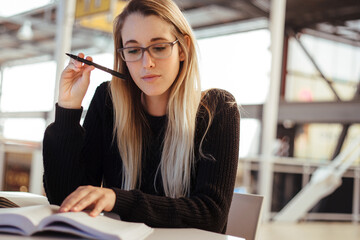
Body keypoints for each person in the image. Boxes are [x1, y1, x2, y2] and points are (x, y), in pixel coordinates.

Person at [43, 0, 240, 234]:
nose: (147, 63)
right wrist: (68, 108)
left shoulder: (218, 109)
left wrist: (117, 199)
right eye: (134, 50)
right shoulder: (109, 102)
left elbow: (211, 216)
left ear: (183, 48)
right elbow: (64, 199)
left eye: (159, 47)